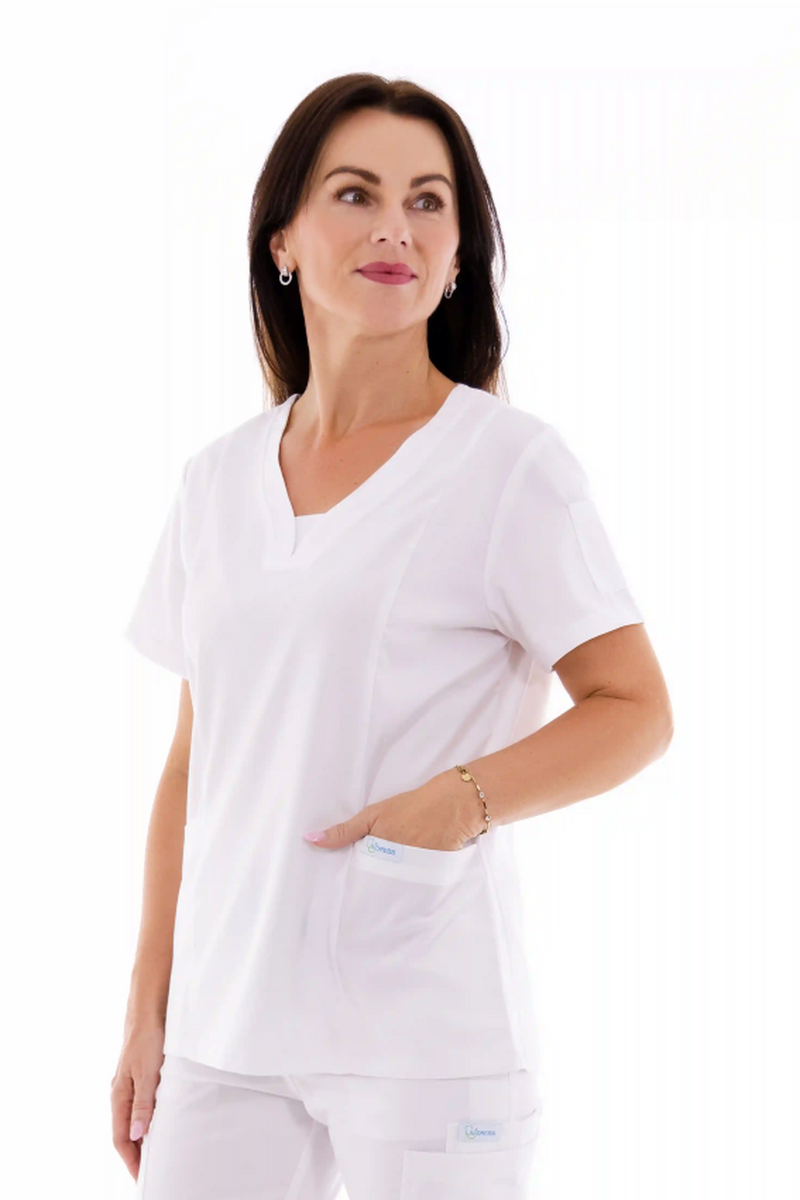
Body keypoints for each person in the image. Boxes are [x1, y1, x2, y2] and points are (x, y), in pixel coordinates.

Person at [111, 73, 673, 1200]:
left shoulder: (507, 466)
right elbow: (190, 764)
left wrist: (458, 802)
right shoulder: (215, 482)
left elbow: (636, 710)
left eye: (427, 202)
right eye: (355, 193)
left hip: (423, 1032)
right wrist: (146, 1005)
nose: (393, 228)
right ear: (282, 239)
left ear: (458, 256)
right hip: (224, 1031)